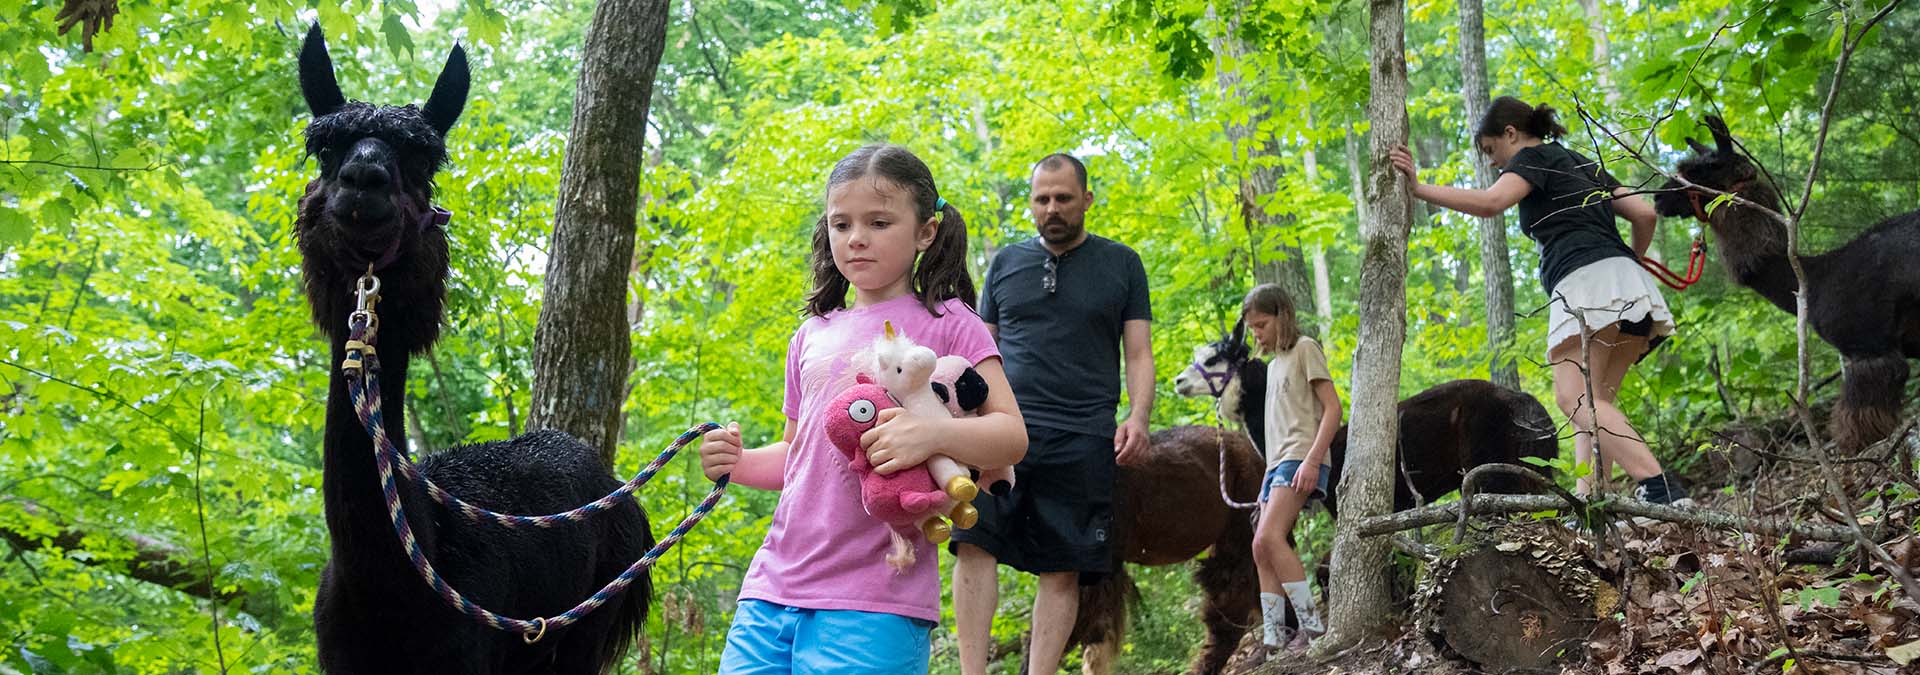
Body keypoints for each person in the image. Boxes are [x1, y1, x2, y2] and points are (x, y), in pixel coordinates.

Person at [700, 144, 1029, 674]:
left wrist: (929, 436)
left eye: (879, 222)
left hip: (877, 593)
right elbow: (795, 455)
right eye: (841, 224)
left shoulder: (948, 321)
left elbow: (1011, 437)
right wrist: (733, 463)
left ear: (926, 232)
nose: (855, 238)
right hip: (771, 586)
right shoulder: (810, 333)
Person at [1389, 96, 1691, 506]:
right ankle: (1591, 504)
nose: (1494, 164)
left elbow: (1491, 203)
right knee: (1593, 406)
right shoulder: (1581, 162)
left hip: (1587, 284)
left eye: (1492, 151)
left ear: (1511, 134)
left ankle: (1659, 487)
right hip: (1628, 287)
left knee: (1574, 399)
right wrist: (1627, 267)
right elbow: (1644, 214)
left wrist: (1419, 188)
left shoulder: (1533, 158)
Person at [950, 153, 1154, 675]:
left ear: (1086, 199)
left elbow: (1138, 352)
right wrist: (961, 421)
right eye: (1042, 199)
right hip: (1000, 430)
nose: (1052, 208)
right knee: (973, 543)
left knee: (1063, 566)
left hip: (1083, 435)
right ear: (1032, 204)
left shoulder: (1122, 264)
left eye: (1064, 197)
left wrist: (1138, 416)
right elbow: (981, 352)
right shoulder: (1006, 264)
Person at [1240, 283, 1340, 657]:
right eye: (1252, 329)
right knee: (1259, 546)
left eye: (1262, 325)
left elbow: (1333, 408)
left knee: (1269, 538)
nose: (1257, 334)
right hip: (1276, 465)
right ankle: (1274, 637)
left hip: (1301, 457)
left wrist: (1314, 460)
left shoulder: (1305, 349)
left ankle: (1312, 628)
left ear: (1282, 316)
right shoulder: (1274, 365)